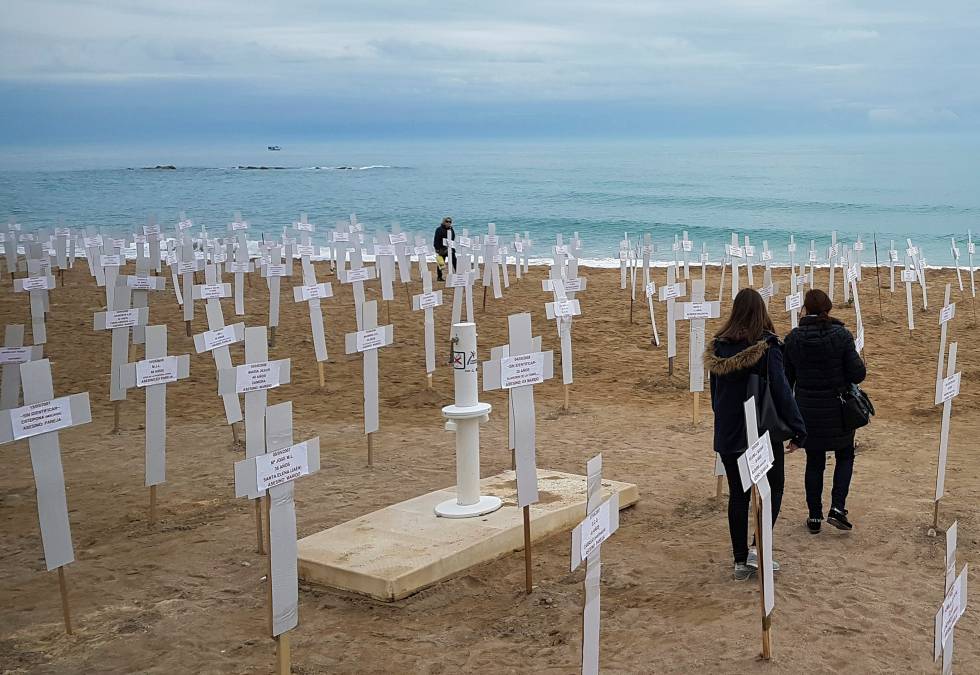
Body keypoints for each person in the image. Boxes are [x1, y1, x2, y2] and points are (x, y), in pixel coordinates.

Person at [705, 288, 807, 580]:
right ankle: (756, 549)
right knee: (773, 488)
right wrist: (798, 428)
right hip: (761, 432)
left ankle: (740, 561)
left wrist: (725, 419)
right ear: (761, 312)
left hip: (728, 431)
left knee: (738, 494)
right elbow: (781, 390)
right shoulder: (767, 347)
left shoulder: (716, 348)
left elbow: (715, 397)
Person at [783, 288, 866, 534]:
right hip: (839, 408)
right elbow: (858, 374)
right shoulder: (841, 335)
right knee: (845, 455)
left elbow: (787, 380)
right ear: (828, 309)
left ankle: (814, 516)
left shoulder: (793, 338)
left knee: (815, 461)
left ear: (805, 310)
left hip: (807, 410)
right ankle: (838, 508)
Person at [433, 217, 456, 281]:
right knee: (440, 263)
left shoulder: (451, 229)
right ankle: (439, 277)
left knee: (454, 261)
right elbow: (436, 239)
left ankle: (457, 275)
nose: (448, 223)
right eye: (447, 221)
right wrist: (437, 248)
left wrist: (451, 247)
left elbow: (453, 238)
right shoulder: (439, 229)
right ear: (444, 222)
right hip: (441, 248)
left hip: (449, 248)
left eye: (450, 222)